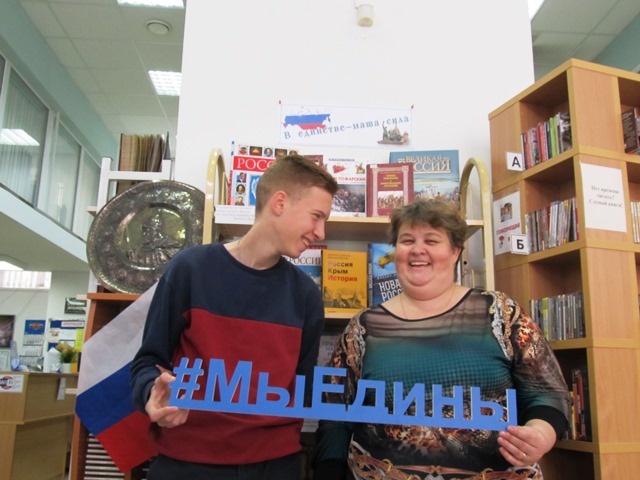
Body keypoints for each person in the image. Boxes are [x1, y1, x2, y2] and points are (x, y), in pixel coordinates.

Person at [313, 199, 571, 480]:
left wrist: (540, 433)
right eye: (407, 240)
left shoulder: (501, 314)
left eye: (432, 240)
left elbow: (548, 393)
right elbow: (334, 414)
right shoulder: (362, 328)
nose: (417, 249)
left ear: (455, 251)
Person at [131, 154, 339, 480]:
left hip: (275, 467)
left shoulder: (306, 295)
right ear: (280, 203)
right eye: (316, 216)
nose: (320, 231)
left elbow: (304, 386)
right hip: (186, 462)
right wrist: (151, 393)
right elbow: (147, 362)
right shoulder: (190, 269)